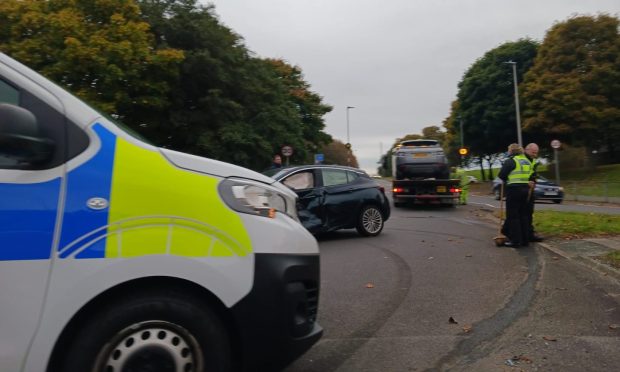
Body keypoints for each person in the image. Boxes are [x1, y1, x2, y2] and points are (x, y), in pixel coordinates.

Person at [498, 143, 532, 248]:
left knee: (513, 216)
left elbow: (501, 175)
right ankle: (525, 240)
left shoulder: (511, 161)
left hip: (514, 190)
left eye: (509, 150)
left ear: (511, 151)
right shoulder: (527, 161)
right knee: (524, 216)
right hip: (525, 190)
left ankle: (516, 240)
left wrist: (506, 178)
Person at [524, 143, 544, 242]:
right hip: (522, 190)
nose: (534, 155)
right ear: (526, 150)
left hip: (530, 190)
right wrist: (526, 182)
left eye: (536, 153)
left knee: (529, 212)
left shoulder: (533, 161)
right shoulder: (522, 160)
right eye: (533, 152)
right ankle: (523, 234)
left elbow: (532, 174)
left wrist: (534, 181)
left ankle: (529, 233)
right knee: (522, 213)